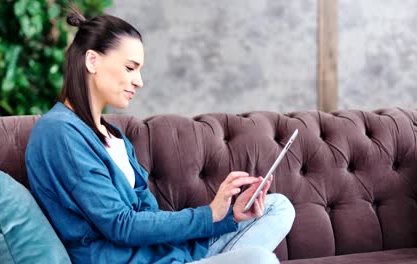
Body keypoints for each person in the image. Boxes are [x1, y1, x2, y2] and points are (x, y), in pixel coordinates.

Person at [25, 7, 295, 264]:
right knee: (259, 260)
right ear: (92, 61)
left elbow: (149, 218)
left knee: (278, 207)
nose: (139, 81)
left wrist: (226, 218)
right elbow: (121, 225)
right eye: (130, 68)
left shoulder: (113, 136)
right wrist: (209, 214)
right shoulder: (59, 133)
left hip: (164, 254)